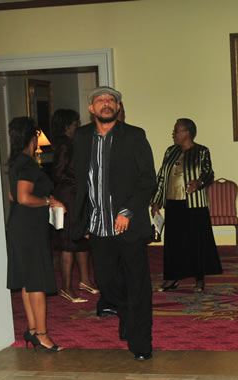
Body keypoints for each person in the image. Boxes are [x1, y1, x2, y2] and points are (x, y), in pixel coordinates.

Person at [71, 86, 157, 361]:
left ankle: (141, 343)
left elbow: (147, 180)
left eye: (111, 100)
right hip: (97, 224)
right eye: (100, 100)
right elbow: (78, 181)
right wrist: (80, 217)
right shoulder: (83, 137)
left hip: (127, 224)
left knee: (137, 284)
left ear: (118, 108)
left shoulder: (134, 136)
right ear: (91, 109)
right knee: (106, 282)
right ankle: (127, 313)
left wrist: (127, 211)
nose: (106, 104)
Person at [5, 116, 67, 352]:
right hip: (30, 228)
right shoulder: (28, 165)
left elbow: (13, 197)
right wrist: (48, 201)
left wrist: (43, 201)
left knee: (28, 281)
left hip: (19, 225)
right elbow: (22, 198)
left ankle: (32, 330)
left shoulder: (16, 162)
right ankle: (41, 334)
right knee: (37, 281)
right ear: (33, 138)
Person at [151, 118, 222, 292]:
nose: (173, 134)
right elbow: (162, 177)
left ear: (187, 132)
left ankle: (199, 279)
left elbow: (209, 172)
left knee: (196, 241)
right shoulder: (170, 151)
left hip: (194, 204)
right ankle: (171, 278)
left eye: (176, 131)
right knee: (173, 242)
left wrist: (199, 182)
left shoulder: (202, 151)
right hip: (173, 203)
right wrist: (156, 202)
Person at [50, 108, 98, 303]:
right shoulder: (64, 146)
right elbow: (59, 173)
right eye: (75, 124)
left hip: (78, 196)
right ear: (67, 126)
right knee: (68, 243)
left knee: (81, 239)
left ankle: (85, 280)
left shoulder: (73, 144)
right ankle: (66, 287)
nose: (78, 127)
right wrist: (79, 181)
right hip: (68, 197)